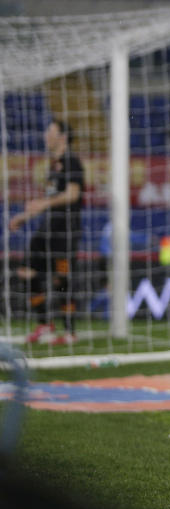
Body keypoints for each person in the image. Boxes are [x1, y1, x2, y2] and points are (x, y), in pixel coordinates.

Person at [9, 120, 85, 346]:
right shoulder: (54, 166)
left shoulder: (72, 161)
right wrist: (24, 217)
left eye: (50, 131)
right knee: (26, 271)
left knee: (62, 279)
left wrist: (42, 204)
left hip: (65, 231)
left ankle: (70, 332)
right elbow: (48, 202)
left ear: (62, 137)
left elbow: (73, 194)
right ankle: (44, 324)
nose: (45, 135)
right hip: (47, 228)